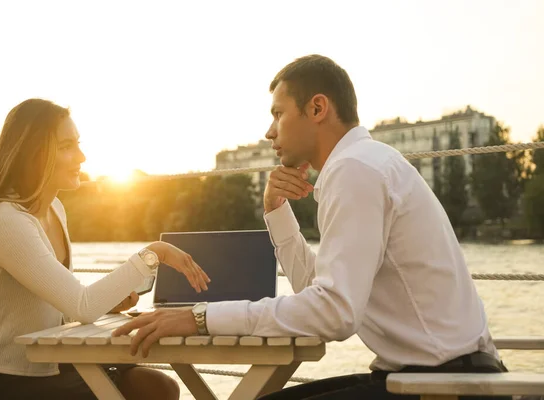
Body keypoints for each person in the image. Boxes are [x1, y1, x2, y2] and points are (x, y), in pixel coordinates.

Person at [113, 54, 509, 400]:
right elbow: (316, 292)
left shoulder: (356, 170)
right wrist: (275, 210)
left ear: (317, 108)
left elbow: (334, 314)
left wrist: (199, 317)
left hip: (445, 388)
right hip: (429, 378)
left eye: (278, 114)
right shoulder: (363, 163)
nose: (270, 132)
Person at [0, 98, 211, 400]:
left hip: (54, 365)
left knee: (159, 387)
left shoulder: (54, 209)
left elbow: (59, 302)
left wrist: (108, 303)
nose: (82, 156)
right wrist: (154, 254)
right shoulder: (3, 220)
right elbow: (81, 306)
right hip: (0, 381)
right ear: (35, 153)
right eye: (67, 146)